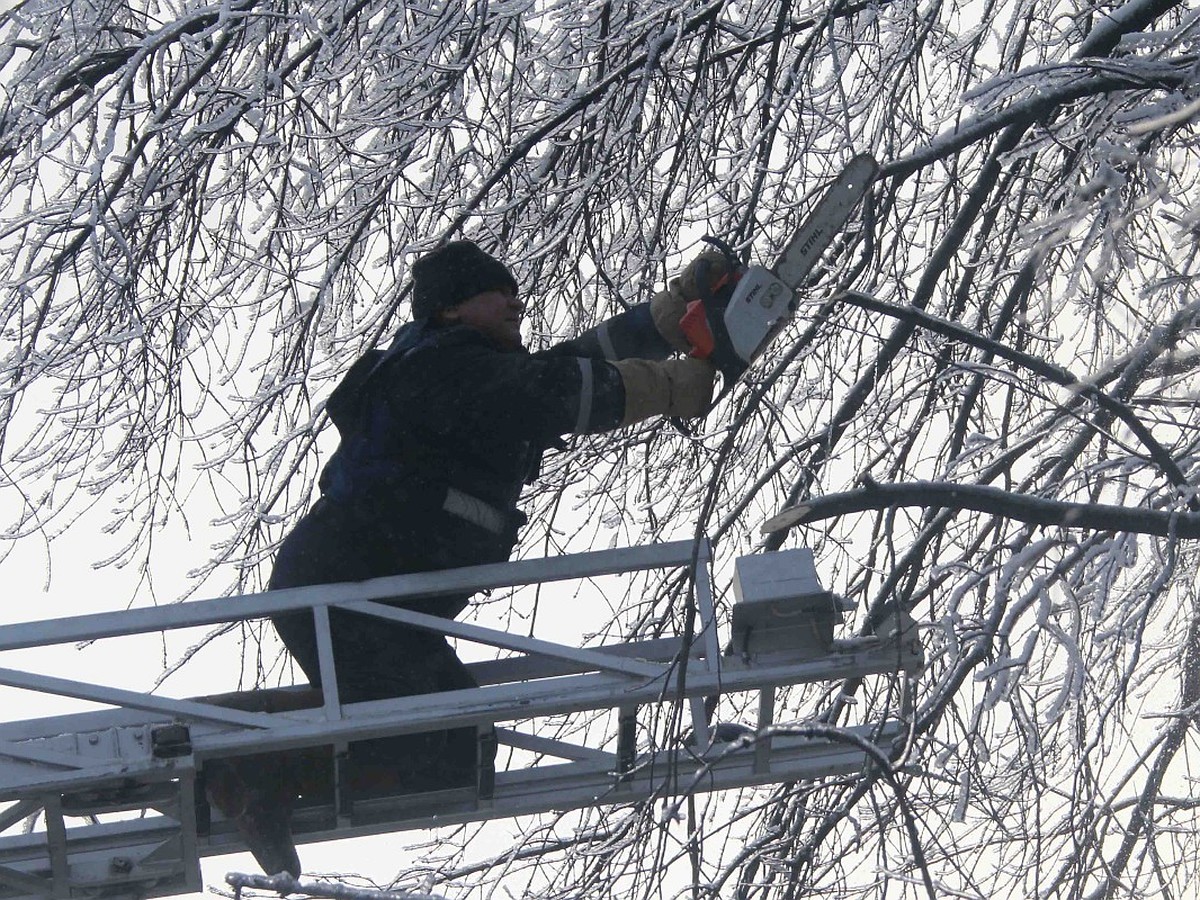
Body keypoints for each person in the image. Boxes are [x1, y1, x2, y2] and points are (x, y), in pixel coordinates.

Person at [205, 240, 729, 877]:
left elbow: (566, 366)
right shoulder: (446, 371)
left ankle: (244, 764)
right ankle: (247, 771)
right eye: (496, 292)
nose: (516, 301)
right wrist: (673, 386)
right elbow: (552, 390)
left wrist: (667, 318)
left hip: (358, 596)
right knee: (447, 745)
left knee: (448, 740)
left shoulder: (460, 370)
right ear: (452, 310)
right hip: (344, 599)